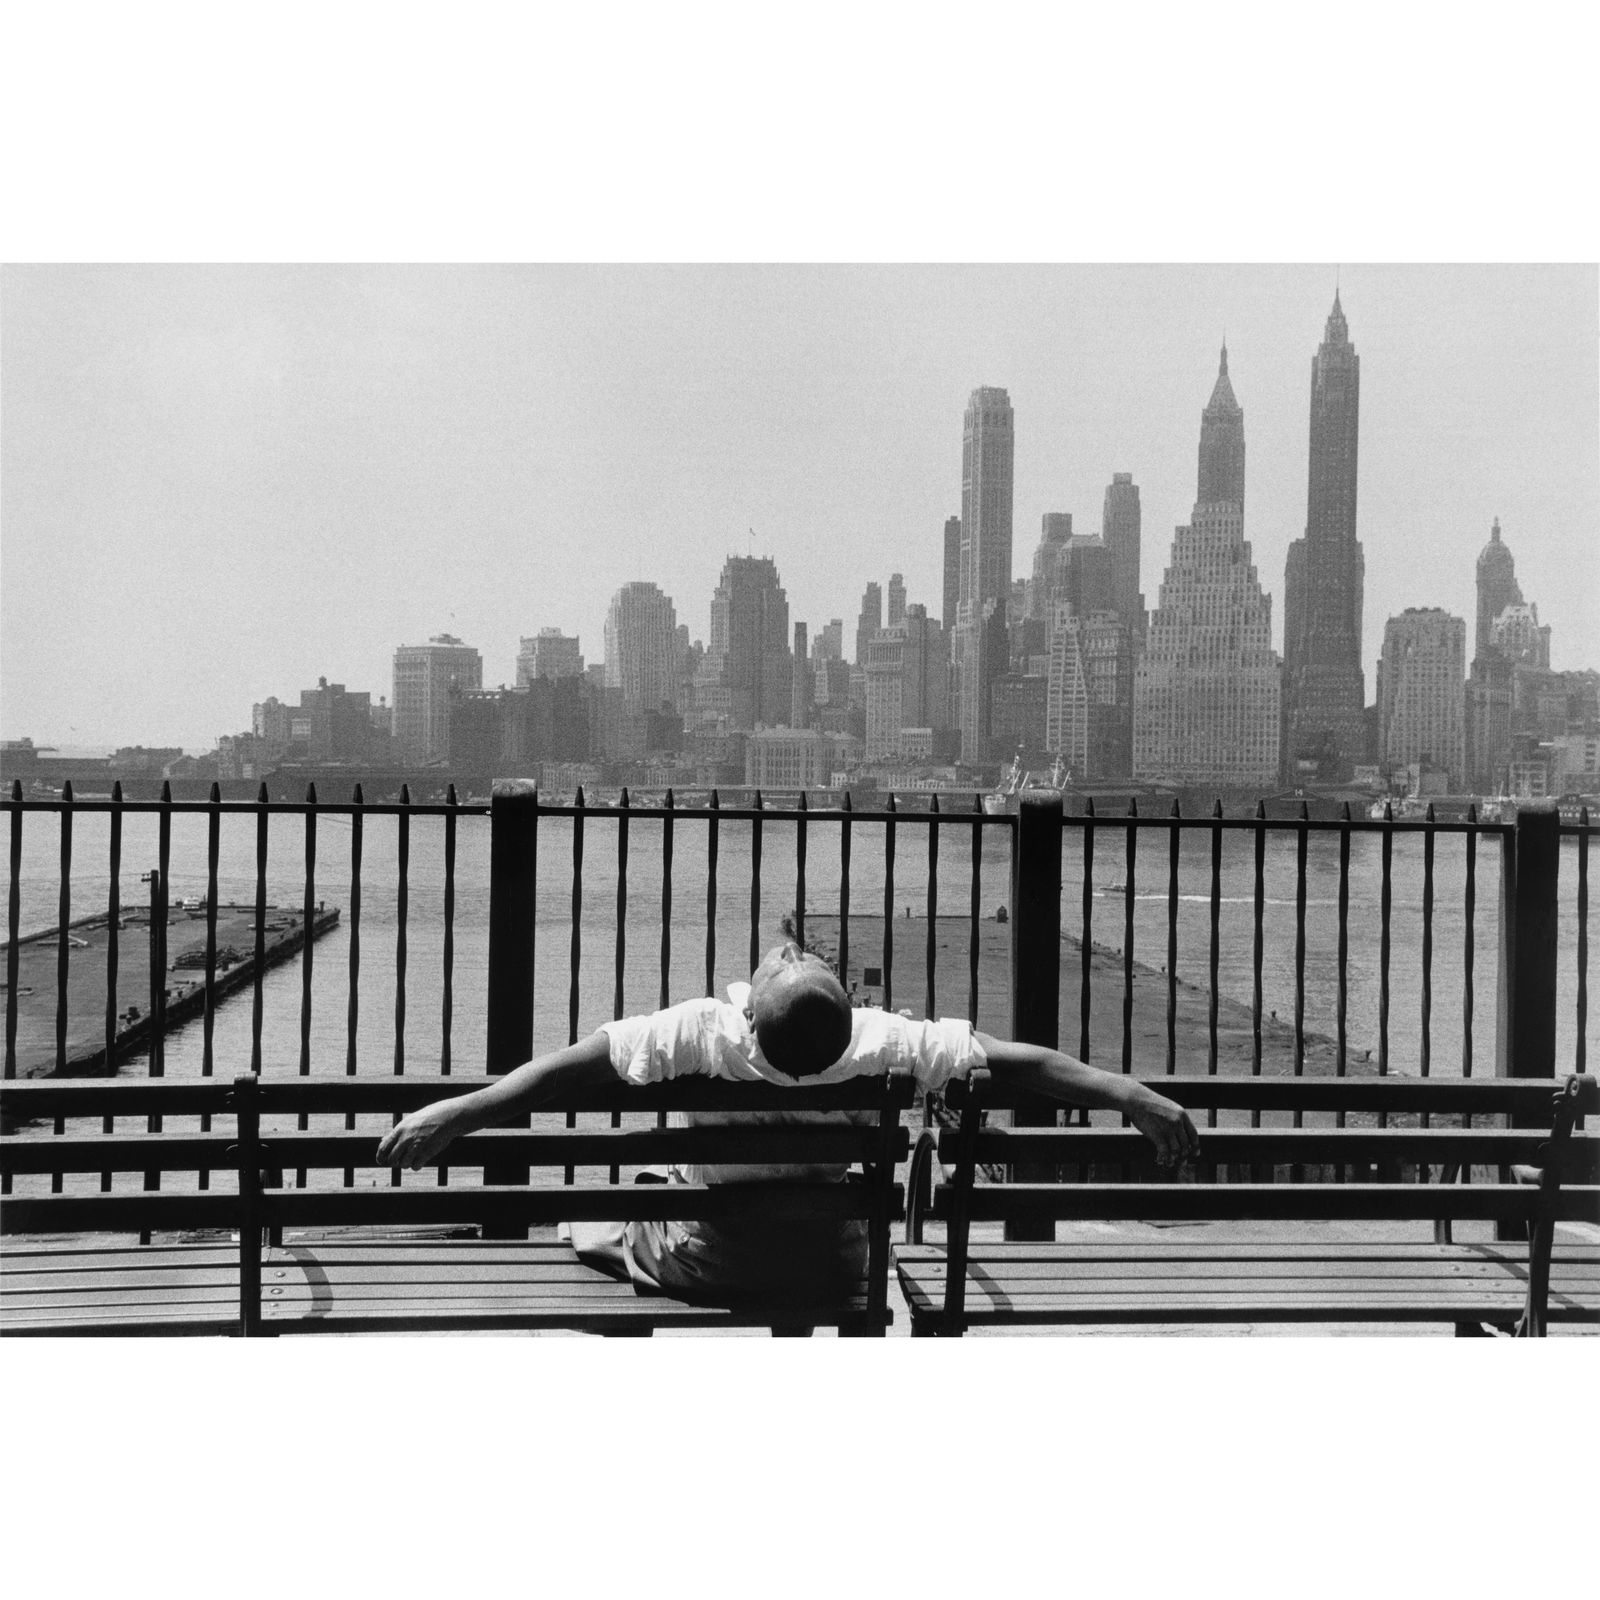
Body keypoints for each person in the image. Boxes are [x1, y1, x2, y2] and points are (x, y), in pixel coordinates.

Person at [377, 940, 1200, 1305]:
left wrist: (460, 1112)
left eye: (790, 960)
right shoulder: (879, 1043)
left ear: (750, 1013)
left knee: (617, 1210)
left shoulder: (703, 1031)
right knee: (773, 1215)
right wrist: (1130, 1094)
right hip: (829, 1264)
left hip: (711, 1260)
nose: (789, 949)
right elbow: (1019, 1062)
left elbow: (571, 1067)